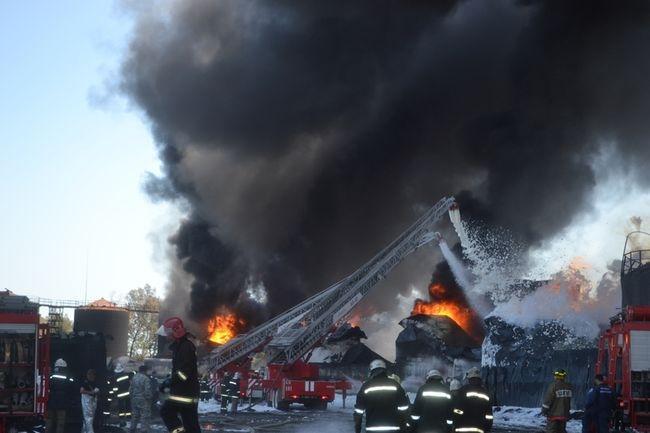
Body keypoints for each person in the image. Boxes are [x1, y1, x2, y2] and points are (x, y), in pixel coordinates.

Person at [157, 317, 200, 433]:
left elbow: (184, 373)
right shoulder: (180, 346)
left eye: (168, 333)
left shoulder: (185, 347)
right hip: (184, 393)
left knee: (166, 412)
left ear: (176, 331)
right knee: (191, 425)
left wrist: (169, 382)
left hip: (184, 393)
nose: (166, 336)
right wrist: (170, 380)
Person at [354, 359, 411, 433]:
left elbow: (359, 411)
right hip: (393, 428)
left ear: (372, 371)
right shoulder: (395, 385)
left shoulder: (366, 386)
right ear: (385, 371)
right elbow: (404, 408)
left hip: (372, 429)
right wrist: (404, 427)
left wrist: (357, 430)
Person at [453, 367, 493, 433]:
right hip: (479, 429)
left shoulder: (463, 390)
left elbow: (458, 410)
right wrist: (487, 429)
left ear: (469, 379)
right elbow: (489, 415)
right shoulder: (486, 393)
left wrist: (455, 424)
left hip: (462, 428)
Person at [47, 358, 74, 433]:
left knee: (49, 421)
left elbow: (47, 385)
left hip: (51, 400)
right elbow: (71, 387)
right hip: (63, 401)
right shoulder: (68, 375)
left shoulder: (51, 375)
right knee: (60, 422)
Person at [542, 369, 573, 433]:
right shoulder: (569, 386)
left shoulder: (553, 386)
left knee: (551, 431)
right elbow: (568, 401)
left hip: (553, 415)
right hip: (564, 414)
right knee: (561, 431)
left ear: (557, 376)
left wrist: (544, 411)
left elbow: (548, 400)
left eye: (555, 375)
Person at [130, 365, 153, 433]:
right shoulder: (146, 379)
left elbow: (131, 389)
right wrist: (149, 398)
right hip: (143, 400)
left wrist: (132, 397)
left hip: (134, 398)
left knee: (135, 415)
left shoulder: (134, 377)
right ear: (145, 370)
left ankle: (132, 428)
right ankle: (144, 430)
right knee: (145, 415)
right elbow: (147, 391)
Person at [80, 369, 100, 433]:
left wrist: (96, 392)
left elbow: (97, 391)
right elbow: (81, 391)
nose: (90, 376)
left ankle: (84, 431)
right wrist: (91, 392)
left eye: (91, 374)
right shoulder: (85, 382)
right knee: (88, 417)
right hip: (87, 400)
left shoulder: (95, 382)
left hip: (93, 401)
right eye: (89, 374)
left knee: (90, 417)